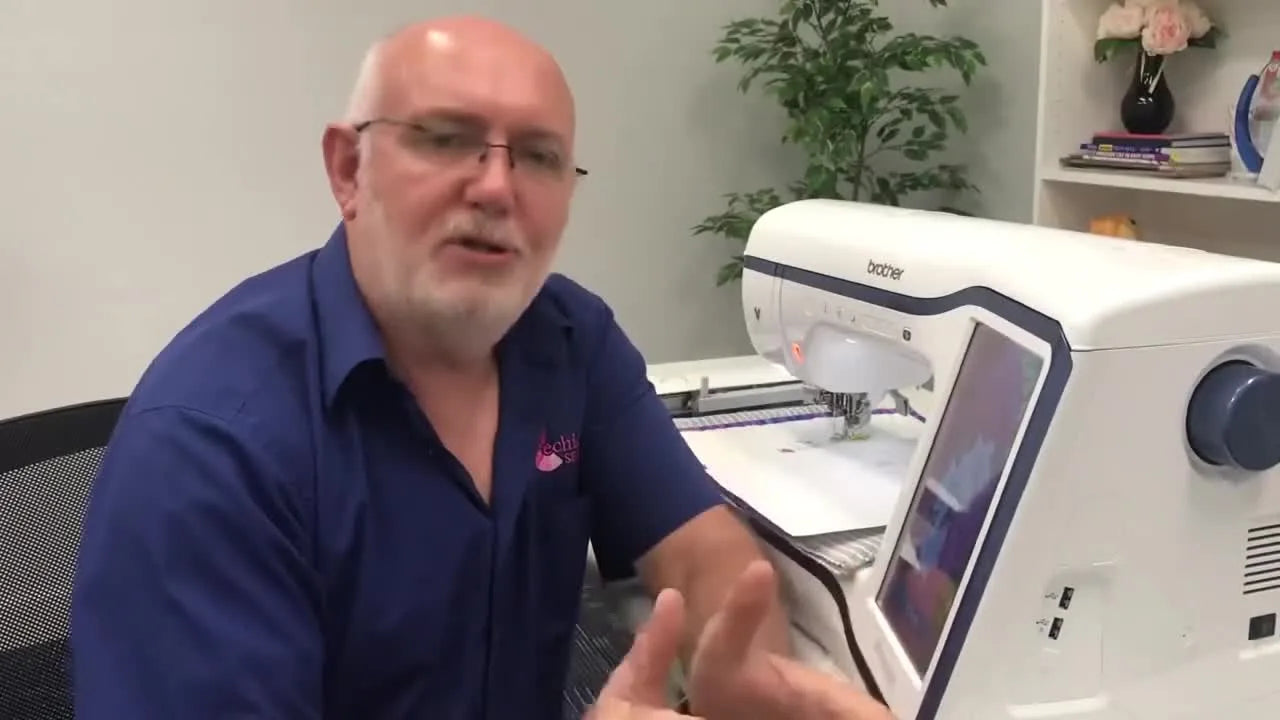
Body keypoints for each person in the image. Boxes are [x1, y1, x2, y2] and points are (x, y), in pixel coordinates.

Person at [69, 14, 892, 720]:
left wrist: (742, 669)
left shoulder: (570, 340)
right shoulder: (208, 450)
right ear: (348, 170)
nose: (497, 187)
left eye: (538, 157)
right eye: (446, 139)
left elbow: (705, 551)